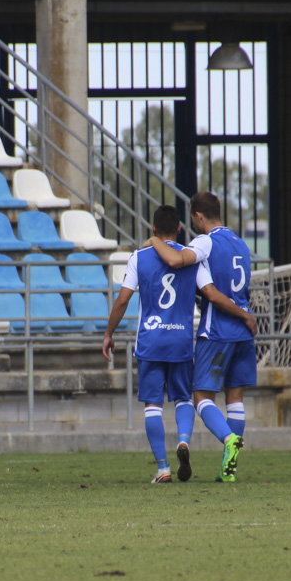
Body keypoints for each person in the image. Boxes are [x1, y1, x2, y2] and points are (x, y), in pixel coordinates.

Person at [146, 191, 257, 482]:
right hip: (244, 336)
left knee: (201, 397)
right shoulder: (241, 244)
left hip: (218, 331)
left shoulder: (205, 241)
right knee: (235, 399)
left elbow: (178, 261)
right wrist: (246, 315)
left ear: (197, 216)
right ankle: (228, 468)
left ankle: (229, 439)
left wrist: (155, 240)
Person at [102, 205, 201, 484]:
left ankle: (163, 468)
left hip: (151, 340)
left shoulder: (139, 257)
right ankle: (183, 441)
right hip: (181, 338)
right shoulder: (190, 257)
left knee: (152, 406)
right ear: (180, 228)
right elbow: (209, 293)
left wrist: (109, 333)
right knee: (183, 398)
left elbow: (122, 300)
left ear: (153, 229)